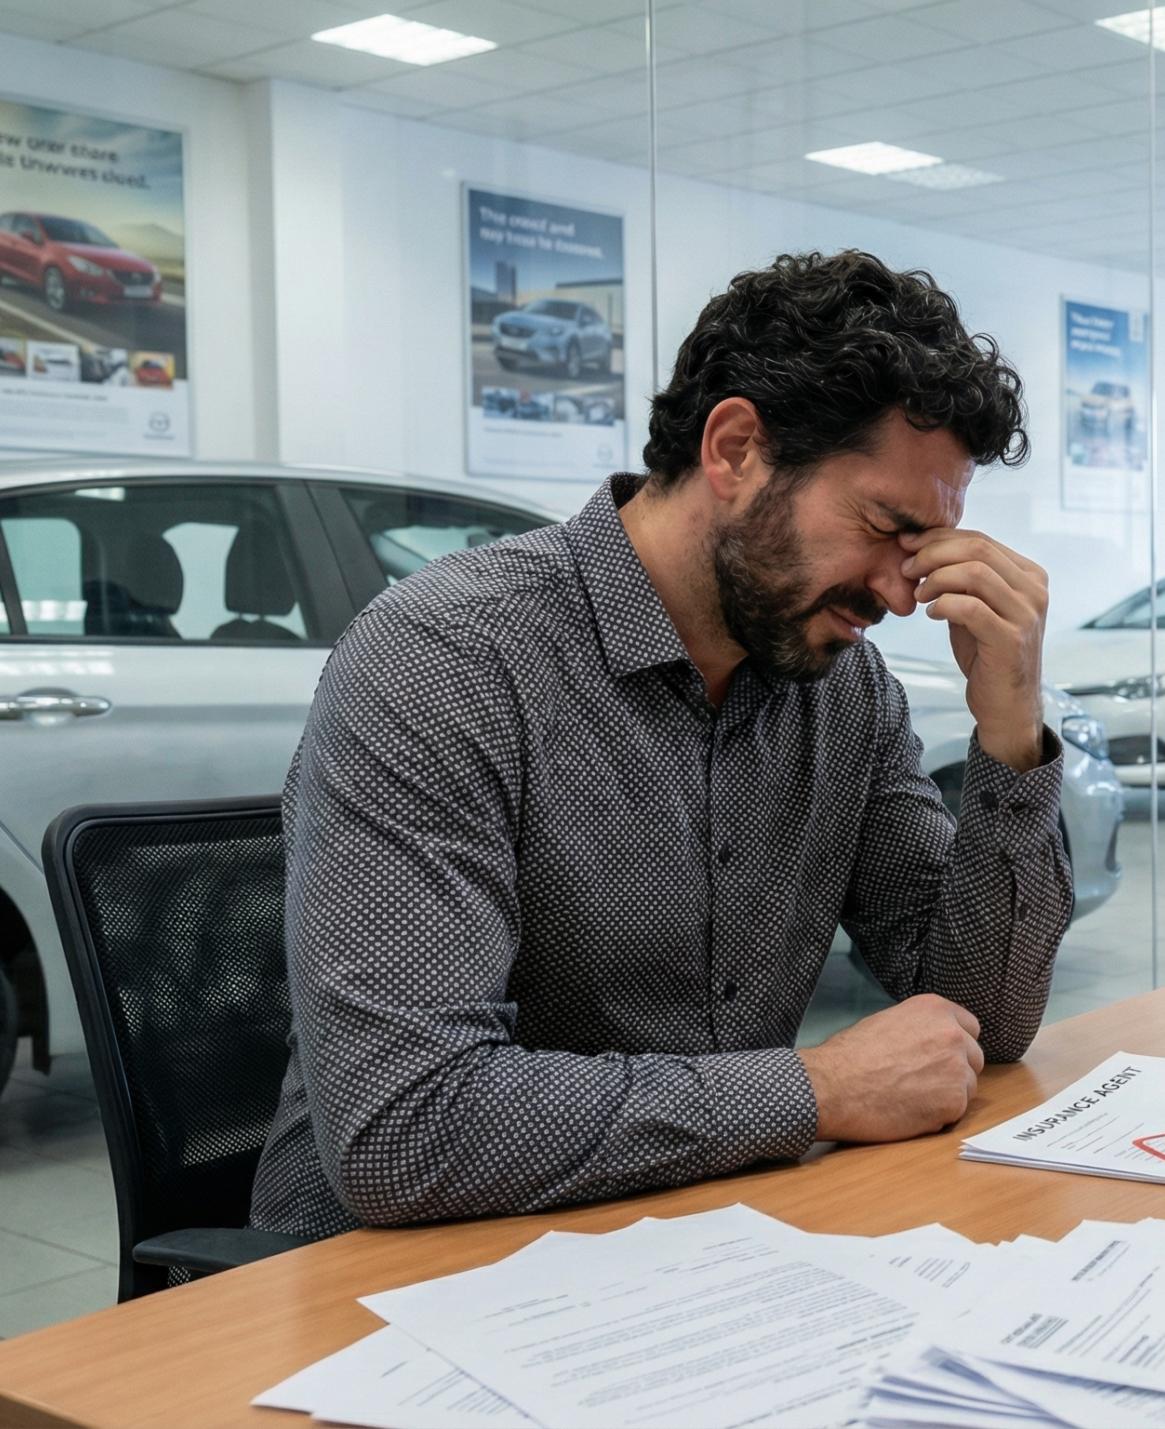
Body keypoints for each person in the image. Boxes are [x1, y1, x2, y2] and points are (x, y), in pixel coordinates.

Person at [252, 251, 1070, 1239]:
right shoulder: (448, 659)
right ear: (735, 450)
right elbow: (407, 1128)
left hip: (699, 1237)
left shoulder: (840, 689)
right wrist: (815, 1089)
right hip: (401, 1276)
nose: (903, 593)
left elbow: (984, 1017)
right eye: (884, 526)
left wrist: (1011, 728)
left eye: (924, 550)